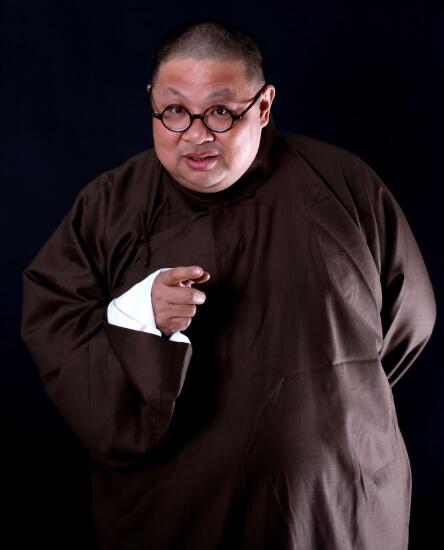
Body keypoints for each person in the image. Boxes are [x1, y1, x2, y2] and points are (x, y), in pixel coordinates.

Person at [20, 19, 436, 550]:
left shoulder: (343, 184)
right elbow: (56, 324)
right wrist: (138, 315)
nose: (196, 135)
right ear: (152, 102)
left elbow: (409, 320)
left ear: (263, 107)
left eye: (220, 112)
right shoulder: (110, 205)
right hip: (175, 509)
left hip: (333, 506)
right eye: (175, 111)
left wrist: (328, 404)